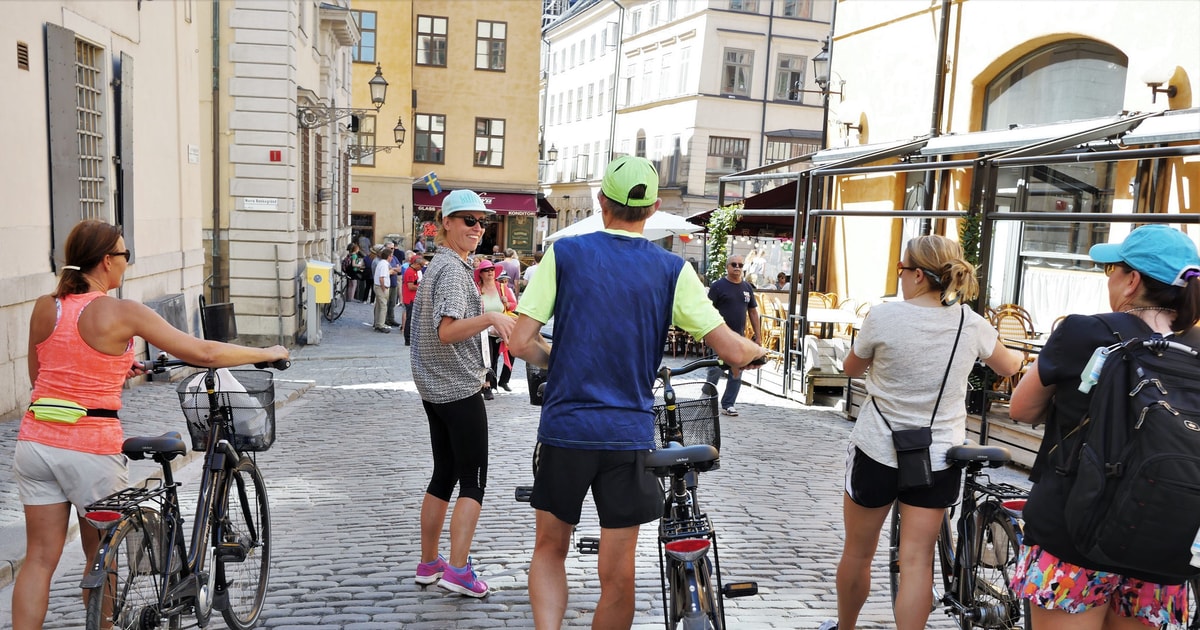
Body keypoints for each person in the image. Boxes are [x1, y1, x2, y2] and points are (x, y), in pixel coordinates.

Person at [507, 156, 766, 630]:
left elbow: (521, 342)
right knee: (618, 570)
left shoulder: (563, 256)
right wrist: (756, 350)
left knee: (549, 547)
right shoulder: (672, 270)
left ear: (601, 202)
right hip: (626, 434)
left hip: (566, 428)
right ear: (653, 210)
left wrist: (556, 361)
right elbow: (731, 348)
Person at [11, 220, 289, 630]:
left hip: (35, 444)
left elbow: (44, 376)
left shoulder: (44, 305)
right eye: (124, 255)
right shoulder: (121, 311)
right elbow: (202, 351)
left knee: (37, 558)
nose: (127, 263)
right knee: (100, 556)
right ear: (106, 261)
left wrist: (112, 367)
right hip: (90, 449)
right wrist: (266, 351)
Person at [1008, 224, 1200, 629]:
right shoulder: (1196, 348)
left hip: (1072, 532)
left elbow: (1021, 409)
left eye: (1112, 269)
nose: (1109, 278)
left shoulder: (1085, 330)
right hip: (1162, 538)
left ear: (1132, 280)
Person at [828, 234, 1022, 630]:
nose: (899, 278)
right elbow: (1008, 366)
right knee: (918, 560)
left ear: (917, 274)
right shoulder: (971, 323)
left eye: (901, 270)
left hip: (877, 450)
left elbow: (851, 368)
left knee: (858, 552)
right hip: (937, 457)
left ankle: (845, 627)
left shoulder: (884, 317)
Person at [410, 189, 516, 598]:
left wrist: (490, 321)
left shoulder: (443, 263)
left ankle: (429, 562)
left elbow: (448, 328)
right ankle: (457, 570)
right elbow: (447, 330)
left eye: (481, 221)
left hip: (435, 386)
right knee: (472, 481)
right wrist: (490, 316)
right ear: (447, 223)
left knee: (444, 473)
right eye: (468, 220)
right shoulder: (454, 268)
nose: (477, 228)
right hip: (455, 386)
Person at [707, 254, 761, 416]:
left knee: (736, 371)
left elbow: (752, 312)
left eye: (740, 265)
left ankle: (728, 403)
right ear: (727, 267)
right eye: (734, 264)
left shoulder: (746, 288)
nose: (737, 267)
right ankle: (707, 395)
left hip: (739, 337)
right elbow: (708, 309)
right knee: (715, 368)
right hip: (719, 336)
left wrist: (758, 335)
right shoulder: (718, 286)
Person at [473, 260, 516, 400]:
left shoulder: (502, 288)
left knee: (496, 357)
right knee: (487, 357)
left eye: (492, 269)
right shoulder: (477, 289)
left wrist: (507, 302)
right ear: (481, 274)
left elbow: (514, 305)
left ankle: (494, 382)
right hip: (483, 328)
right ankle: (487, 386)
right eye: (486, 270)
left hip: (500, 329)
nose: (490, 272)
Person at [402, 253, 424, 346]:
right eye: (421, 266)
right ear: (416, 264)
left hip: (412, 298)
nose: (422, 268)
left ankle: (410, 338)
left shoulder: (413, 271)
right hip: (410, 299)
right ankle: (408, 339)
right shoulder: (410, 272)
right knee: (410, 319)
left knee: (412, 319)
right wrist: (421, 287)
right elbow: (411, 286)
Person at [371, 244, 392, 332]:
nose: (391, 258)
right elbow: (381, 278)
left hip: (378, 286)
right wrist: (384, 288)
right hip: (381, 287)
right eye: (391, 256)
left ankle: (377, 323)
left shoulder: (381, 263)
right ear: (388, 256)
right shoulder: (383, 264)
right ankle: (381, 325)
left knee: (379, 306)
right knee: (383, 306)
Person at [386, 244, 403, 328]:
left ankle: (391, 319)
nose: (393, 249)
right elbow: (388, 270)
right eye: (391, 248)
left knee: (393, 302)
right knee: (386, 302)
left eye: (393, 248)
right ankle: (385, 319)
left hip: (394, 282)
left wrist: (394, 269)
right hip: (387, 283)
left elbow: (400, 269)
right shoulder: (385, 259)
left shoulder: (395, 258)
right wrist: (394, 269)